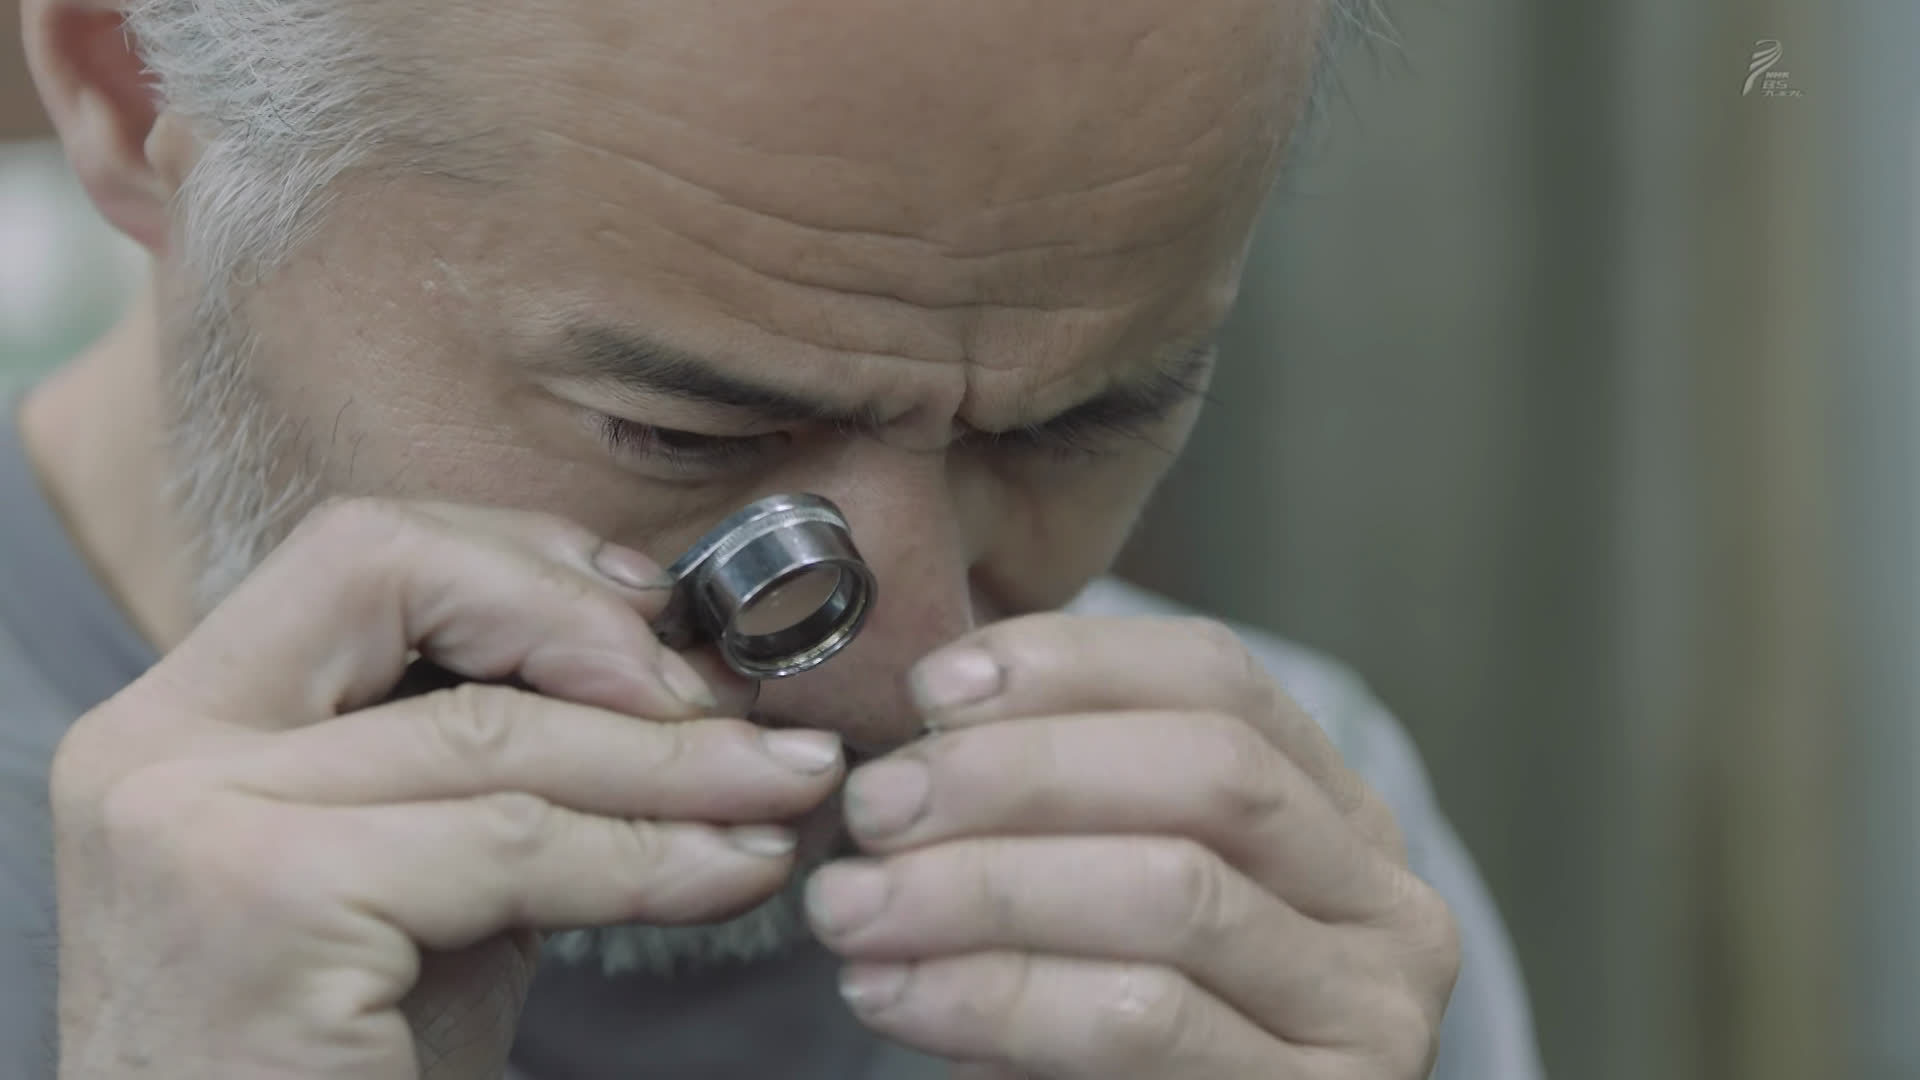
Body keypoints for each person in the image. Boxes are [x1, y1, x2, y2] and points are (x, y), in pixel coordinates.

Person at [4, 0, 1544, 1076]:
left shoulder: (1251, 887)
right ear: (131, 87)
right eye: (689, 436)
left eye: (1077, 427)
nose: (903, 670)